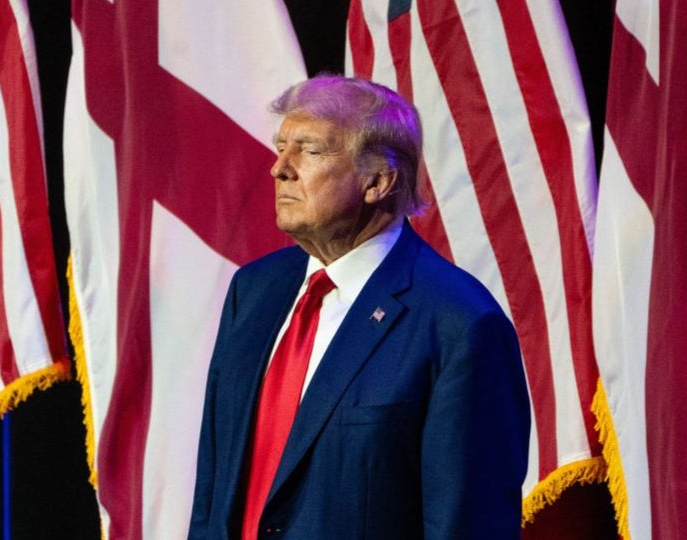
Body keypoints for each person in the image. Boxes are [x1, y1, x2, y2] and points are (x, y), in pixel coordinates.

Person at [188, 75, 530, 540]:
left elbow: (468, 525)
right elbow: (213, 492)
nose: (279, 168)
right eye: (281, 146)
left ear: (378, 181)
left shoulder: (459, 324)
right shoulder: (253, 291)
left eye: (308, 150)